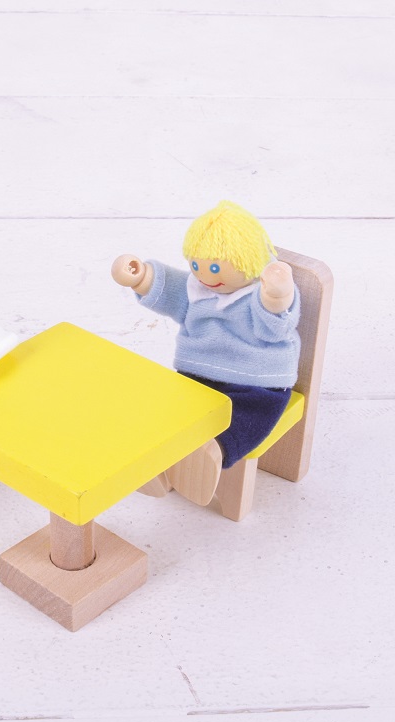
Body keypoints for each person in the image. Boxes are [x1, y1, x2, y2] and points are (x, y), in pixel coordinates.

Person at [111, 201, 301, 505]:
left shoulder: (258, 294)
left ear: (249, 261)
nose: (204, 277)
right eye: (196, 266)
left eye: (213, 269)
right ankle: (155, 468)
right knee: (171, 410)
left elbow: (275, 327)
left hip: (256, 385)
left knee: (244, 421)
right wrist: (140, 277)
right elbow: (169, 288)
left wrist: (278, 295)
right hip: (197, 376)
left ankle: (207, 459)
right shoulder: (196, 289)